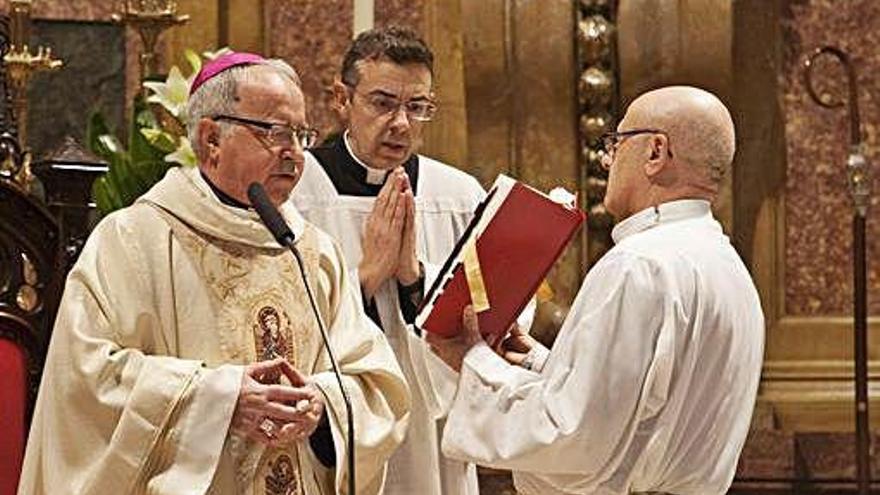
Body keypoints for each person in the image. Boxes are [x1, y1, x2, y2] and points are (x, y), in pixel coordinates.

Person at [18, 52, 410, 495]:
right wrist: (220, 400)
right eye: (275, 133)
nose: (294, 153)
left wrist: (323, 406)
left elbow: (370, 379)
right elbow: (85, 380)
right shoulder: (133, 240)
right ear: (210, 140)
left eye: (301, 134)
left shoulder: (314, 252)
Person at [427, 86, 765, 495]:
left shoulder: (639, 265)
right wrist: (536, 363)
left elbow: (574, 436)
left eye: (617, 142)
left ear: (656, 152)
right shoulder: (726, 264)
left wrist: (475, 360)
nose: (607, 159)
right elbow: (641, 409)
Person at [290, 26, 496, 495]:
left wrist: (413, 282)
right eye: (383, 103)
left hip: (431, 430)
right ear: (342, 99)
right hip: (336, 426)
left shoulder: (459, 197)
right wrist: (365, 280)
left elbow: (490, 324)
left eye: (417, 106)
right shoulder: (297, 193)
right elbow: (275, 319)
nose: (402, 123)